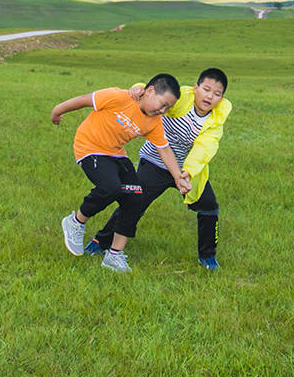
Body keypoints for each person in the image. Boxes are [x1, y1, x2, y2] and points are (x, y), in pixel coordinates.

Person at [85, 68, 232, 271]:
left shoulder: (215, 121)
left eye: (217, 94)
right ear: (196, 88)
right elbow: (154, 93)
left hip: (186, 172)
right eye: (206, 89)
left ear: (222, 97)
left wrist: (186, 174)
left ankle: (207, 256)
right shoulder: (180, 98)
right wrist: (137, 88)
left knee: (209, 207)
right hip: (155, 163)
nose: (209, 96)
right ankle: (101, 242)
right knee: (134, 202)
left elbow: (204, 149)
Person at [49, 74, 191, 273]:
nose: (162, 110)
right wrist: (56, 112)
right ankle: (75, 222)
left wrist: (178, 177)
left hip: (115, 154)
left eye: (167, 108)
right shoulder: (118, 96)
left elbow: (164, 149)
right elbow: (82, 101)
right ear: (149, 91)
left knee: (135, 196)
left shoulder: (154, 122)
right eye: (162, 104)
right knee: (110, 188)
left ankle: (114, 255)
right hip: (89, 147)